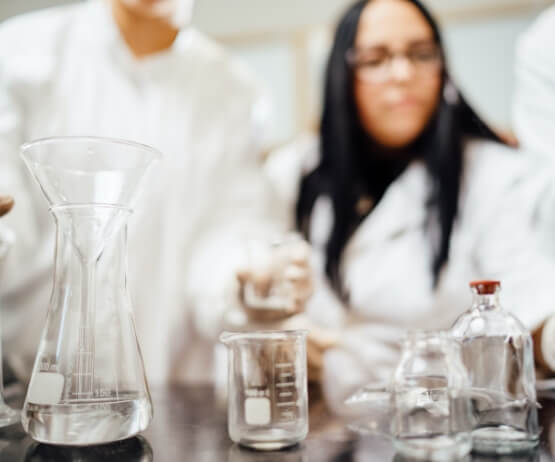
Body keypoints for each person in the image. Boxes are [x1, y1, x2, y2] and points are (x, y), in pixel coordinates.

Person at [258, 0, 555, 414]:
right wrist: (277, 333)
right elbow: (252, 289)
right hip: (319, 423)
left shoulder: (493, 175)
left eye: (421, 54)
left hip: (437, 427)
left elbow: (530, 301)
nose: (403, 74)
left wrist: (549, 336)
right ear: (341, 74)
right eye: (376, 59)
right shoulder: (293, 172)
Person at [0, 0, 288, 385]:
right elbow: (10, 236)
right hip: (30, 385)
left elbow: (227, 239)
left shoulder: (234, 90)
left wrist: (248, 279)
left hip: (169, 392)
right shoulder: (18, 53)